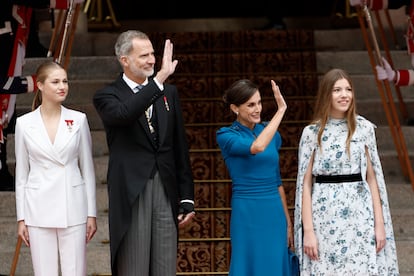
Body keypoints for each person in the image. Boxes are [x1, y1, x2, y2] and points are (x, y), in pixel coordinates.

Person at [93, 30, 195, 276]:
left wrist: (187, 196)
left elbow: (179, 145)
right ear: (124, 60)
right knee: (134, 267)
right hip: (131, 190)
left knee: (165, 267)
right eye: (144, 55)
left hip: (165, 187)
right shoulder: (107, 96)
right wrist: (157, 81)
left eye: (152, 54)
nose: (151, 60)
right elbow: (124, 114)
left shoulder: (168, 94)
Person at [294, 68, 399, 275]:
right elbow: (305, 184)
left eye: (348, 89)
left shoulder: (364, 128)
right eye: (337, 90)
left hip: (360, 215)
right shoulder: (311, 133)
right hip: (324, 216)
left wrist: (380, 225)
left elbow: (372, 178)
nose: (344, 95)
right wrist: (308, 231)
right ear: (327, 95)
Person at [14, 61, 97, 276]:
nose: (63, 86)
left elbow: (87, 170)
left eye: (65, 81)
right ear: (40, 85)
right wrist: (21, 218)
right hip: (37, 208)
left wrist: (91, 214)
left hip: (74, 206)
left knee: (75, 271)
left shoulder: (78, 120)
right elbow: (22, 175)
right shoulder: (24, 123)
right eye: (56, 81)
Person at [216, 79, 293, 276]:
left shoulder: (271, 133)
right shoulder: (225, 135)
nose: (257, 108)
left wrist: (287, 221)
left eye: (259, 102)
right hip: (247, 211)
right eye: (250, 105)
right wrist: (281, 110)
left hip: (274, 211)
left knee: (275, 264)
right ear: (235, 108)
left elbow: (277, 182)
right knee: (249, 265)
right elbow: (257, 147)